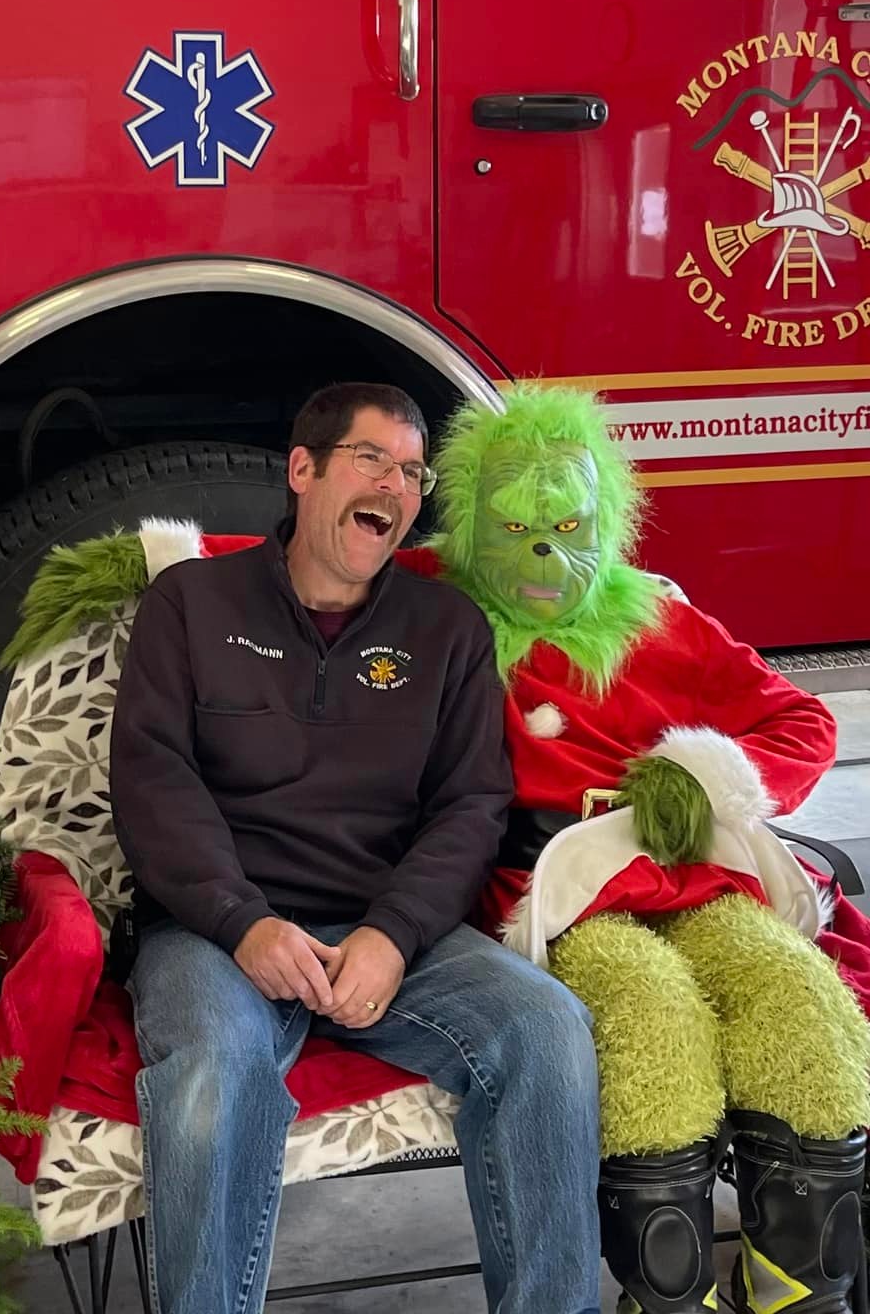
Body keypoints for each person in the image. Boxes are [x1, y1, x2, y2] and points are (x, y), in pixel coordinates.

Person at [110, 381, 603, 1314]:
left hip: (389, 932)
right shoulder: (190, 602)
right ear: (303, 470)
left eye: (413, 473)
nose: (396, 486)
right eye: (372, 459)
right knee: (213, 1073)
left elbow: (471, 806)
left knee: (547, 1030)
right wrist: (243, 923)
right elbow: (152, 784)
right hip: (216, 934)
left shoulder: (446, 629)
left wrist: (394, 933)